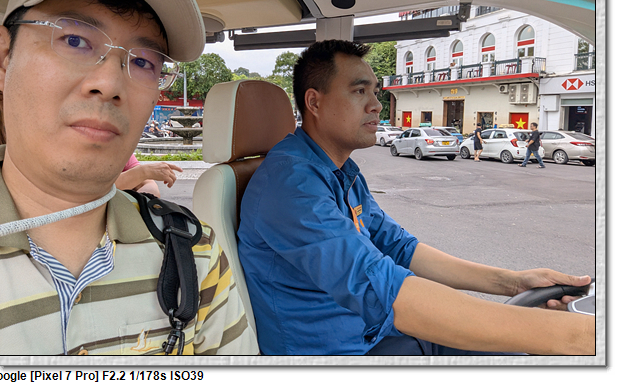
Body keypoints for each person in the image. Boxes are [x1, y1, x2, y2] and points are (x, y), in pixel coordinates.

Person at [237, 39, 593, 356]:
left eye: (375, 92)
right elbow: (381, 289)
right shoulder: (290, 183)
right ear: (314, 102)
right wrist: (575, 337)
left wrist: (513, 282)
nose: (376, 105)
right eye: (360, 91)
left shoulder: (338, 171)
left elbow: (401, 249)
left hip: (381, 337)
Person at [0, 0, 258, 355]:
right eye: (75, 40)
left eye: (144, 62)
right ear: (2, 58)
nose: (110, 83)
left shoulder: (195, 253)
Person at [115, 153, 183, 197]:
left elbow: (148, 183)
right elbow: (108, 186)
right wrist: (144, 172)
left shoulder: (121, 150)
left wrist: (142, 202)